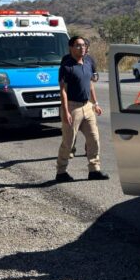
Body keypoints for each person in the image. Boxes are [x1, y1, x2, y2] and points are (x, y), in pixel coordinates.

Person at [55, 36, 109, 182]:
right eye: (78, 45)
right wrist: (66, 112)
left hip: (88, 106)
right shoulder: (66, 66)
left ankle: (94, 170)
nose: (82, 48)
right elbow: (63, 91)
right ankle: (61, 172)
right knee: (68, 142)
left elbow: (90, 84)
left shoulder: (88, 63)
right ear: (71, 48)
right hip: (73, 108)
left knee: (94, 139)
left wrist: (95, 103)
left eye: (84, 45)